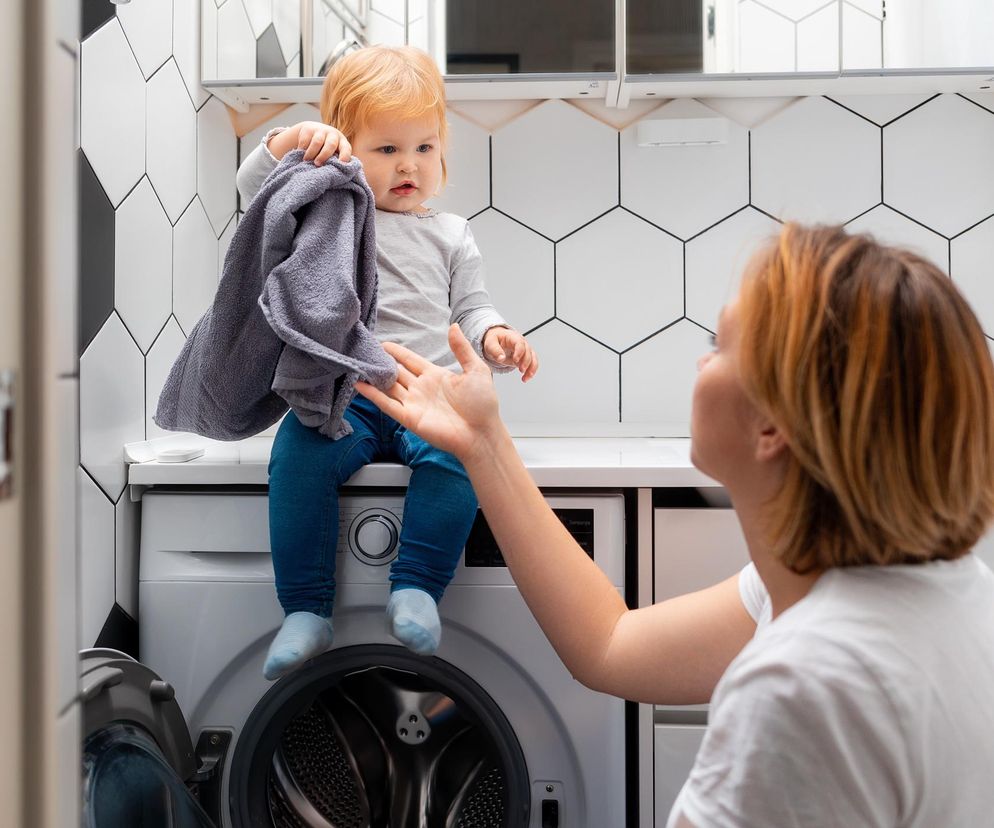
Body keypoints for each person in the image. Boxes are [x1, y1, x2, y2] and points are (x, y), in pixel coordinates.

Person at [357, 223, 994, 827]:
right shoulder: (923, 585)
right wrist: (483, 442)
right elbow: (610, 646)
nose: (698, 365)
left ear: (773, 425)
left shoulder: (803, 689)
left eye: (718, 345)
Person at [236, 45, 539, 681]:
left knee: (458, 456)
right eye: (387, 150)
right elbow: (253, 191)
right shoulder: (330, 211)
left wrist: (498, 337)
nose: (409, 166)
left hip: (426, 394)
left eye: (424, 149)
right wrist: (292, 139)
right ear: (344, 148)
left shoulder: (452, 233)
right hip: (346, 394)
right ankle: (306, 610)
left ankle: (418, 588)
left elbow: (472, 308)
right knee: (294, 458)